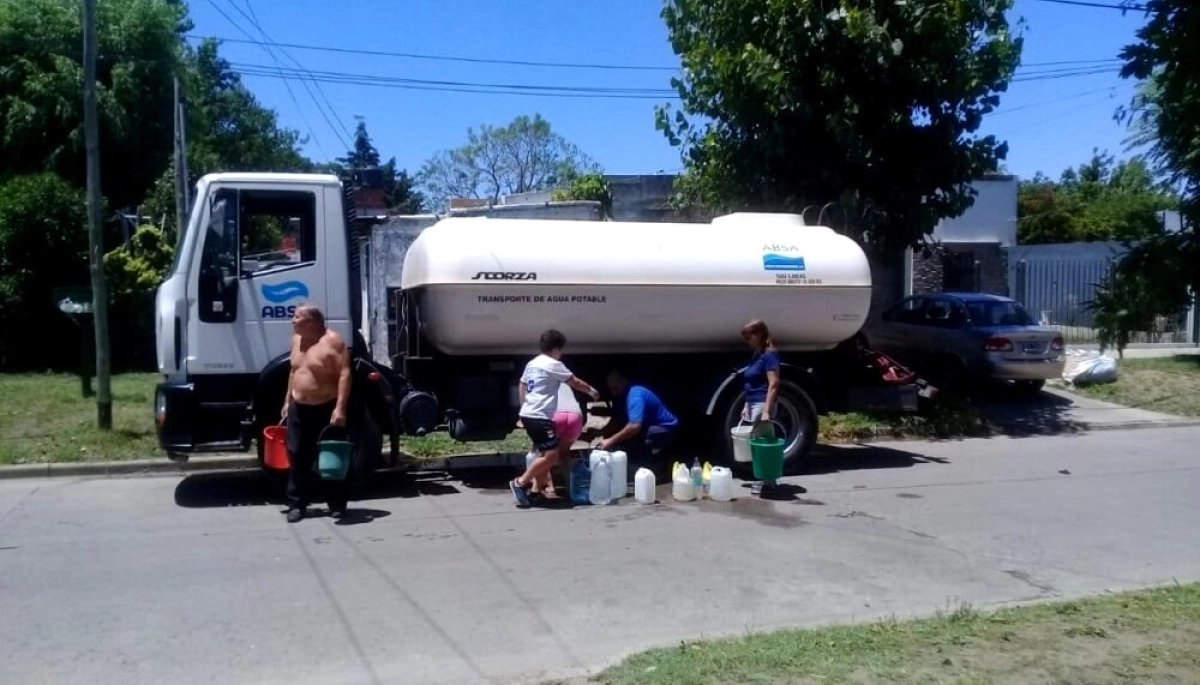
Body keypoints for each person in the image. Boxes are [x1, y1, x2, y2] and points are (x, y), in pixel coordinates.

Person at [510, 329, 600, 509]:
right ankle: (519, 483)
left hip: (531, 413)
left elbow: (522, 383)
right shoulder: (553, 364)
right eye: (561, 350)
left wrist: (523, 407)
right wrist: (591, 391)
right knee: (552, 456)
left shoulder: (532, 363)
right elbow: (575, 382)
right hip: (539, 415)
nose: (561, 354)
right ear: (556, 349)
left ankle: (535, 493)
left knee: (546, 455)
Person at [281, 304, 352, 523]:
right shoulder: (296, 340)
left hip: (325, 408)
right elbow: (294, 371)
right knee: (296, 454)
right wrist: (287, 400)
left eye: (297, 317)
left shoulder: (333, 341)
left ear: (311, 321)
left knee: (330, 460)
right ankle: (297, 504)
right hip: (299, 408)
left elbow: (345, 374)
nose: (292, 321)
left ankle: (337, 505)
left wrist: (340, 408)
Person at [594, 369, 679, 468]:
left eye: (615, 388)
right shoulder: (621, 397)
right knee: (623, 435)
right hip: (648, 426)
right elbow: (617, 420)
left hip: (666, 428)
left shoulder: (635, 394)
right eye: (611, 390)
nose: (613, 393)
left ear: (624, 382)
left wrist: (610, 441)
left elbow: (635, 426)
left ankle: (646, 467)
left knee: (637, 436)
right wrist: (601, 433)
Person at [741, 319, 781, 494]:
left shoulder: (769, 354)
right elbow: (751, 381)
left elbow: (774, 383)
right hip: (753, 403)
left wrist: (766, 410)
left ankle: (769, 481)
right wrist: (745, 405)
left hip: (762, 404)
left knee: (764, 444)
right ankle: (765, 480)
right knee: (758, 444)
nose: (746, 340)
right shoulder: (757, 354)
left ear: (758, 334)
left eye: (748, 336)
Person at [530, 383, 585, 500]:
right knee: (564, 453)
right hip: (575, 416)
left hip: (555, 415)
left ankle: (549, 487)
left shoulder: (537, 382)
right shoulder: (564, 381)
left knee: (545, 453)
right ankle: (571, 487)